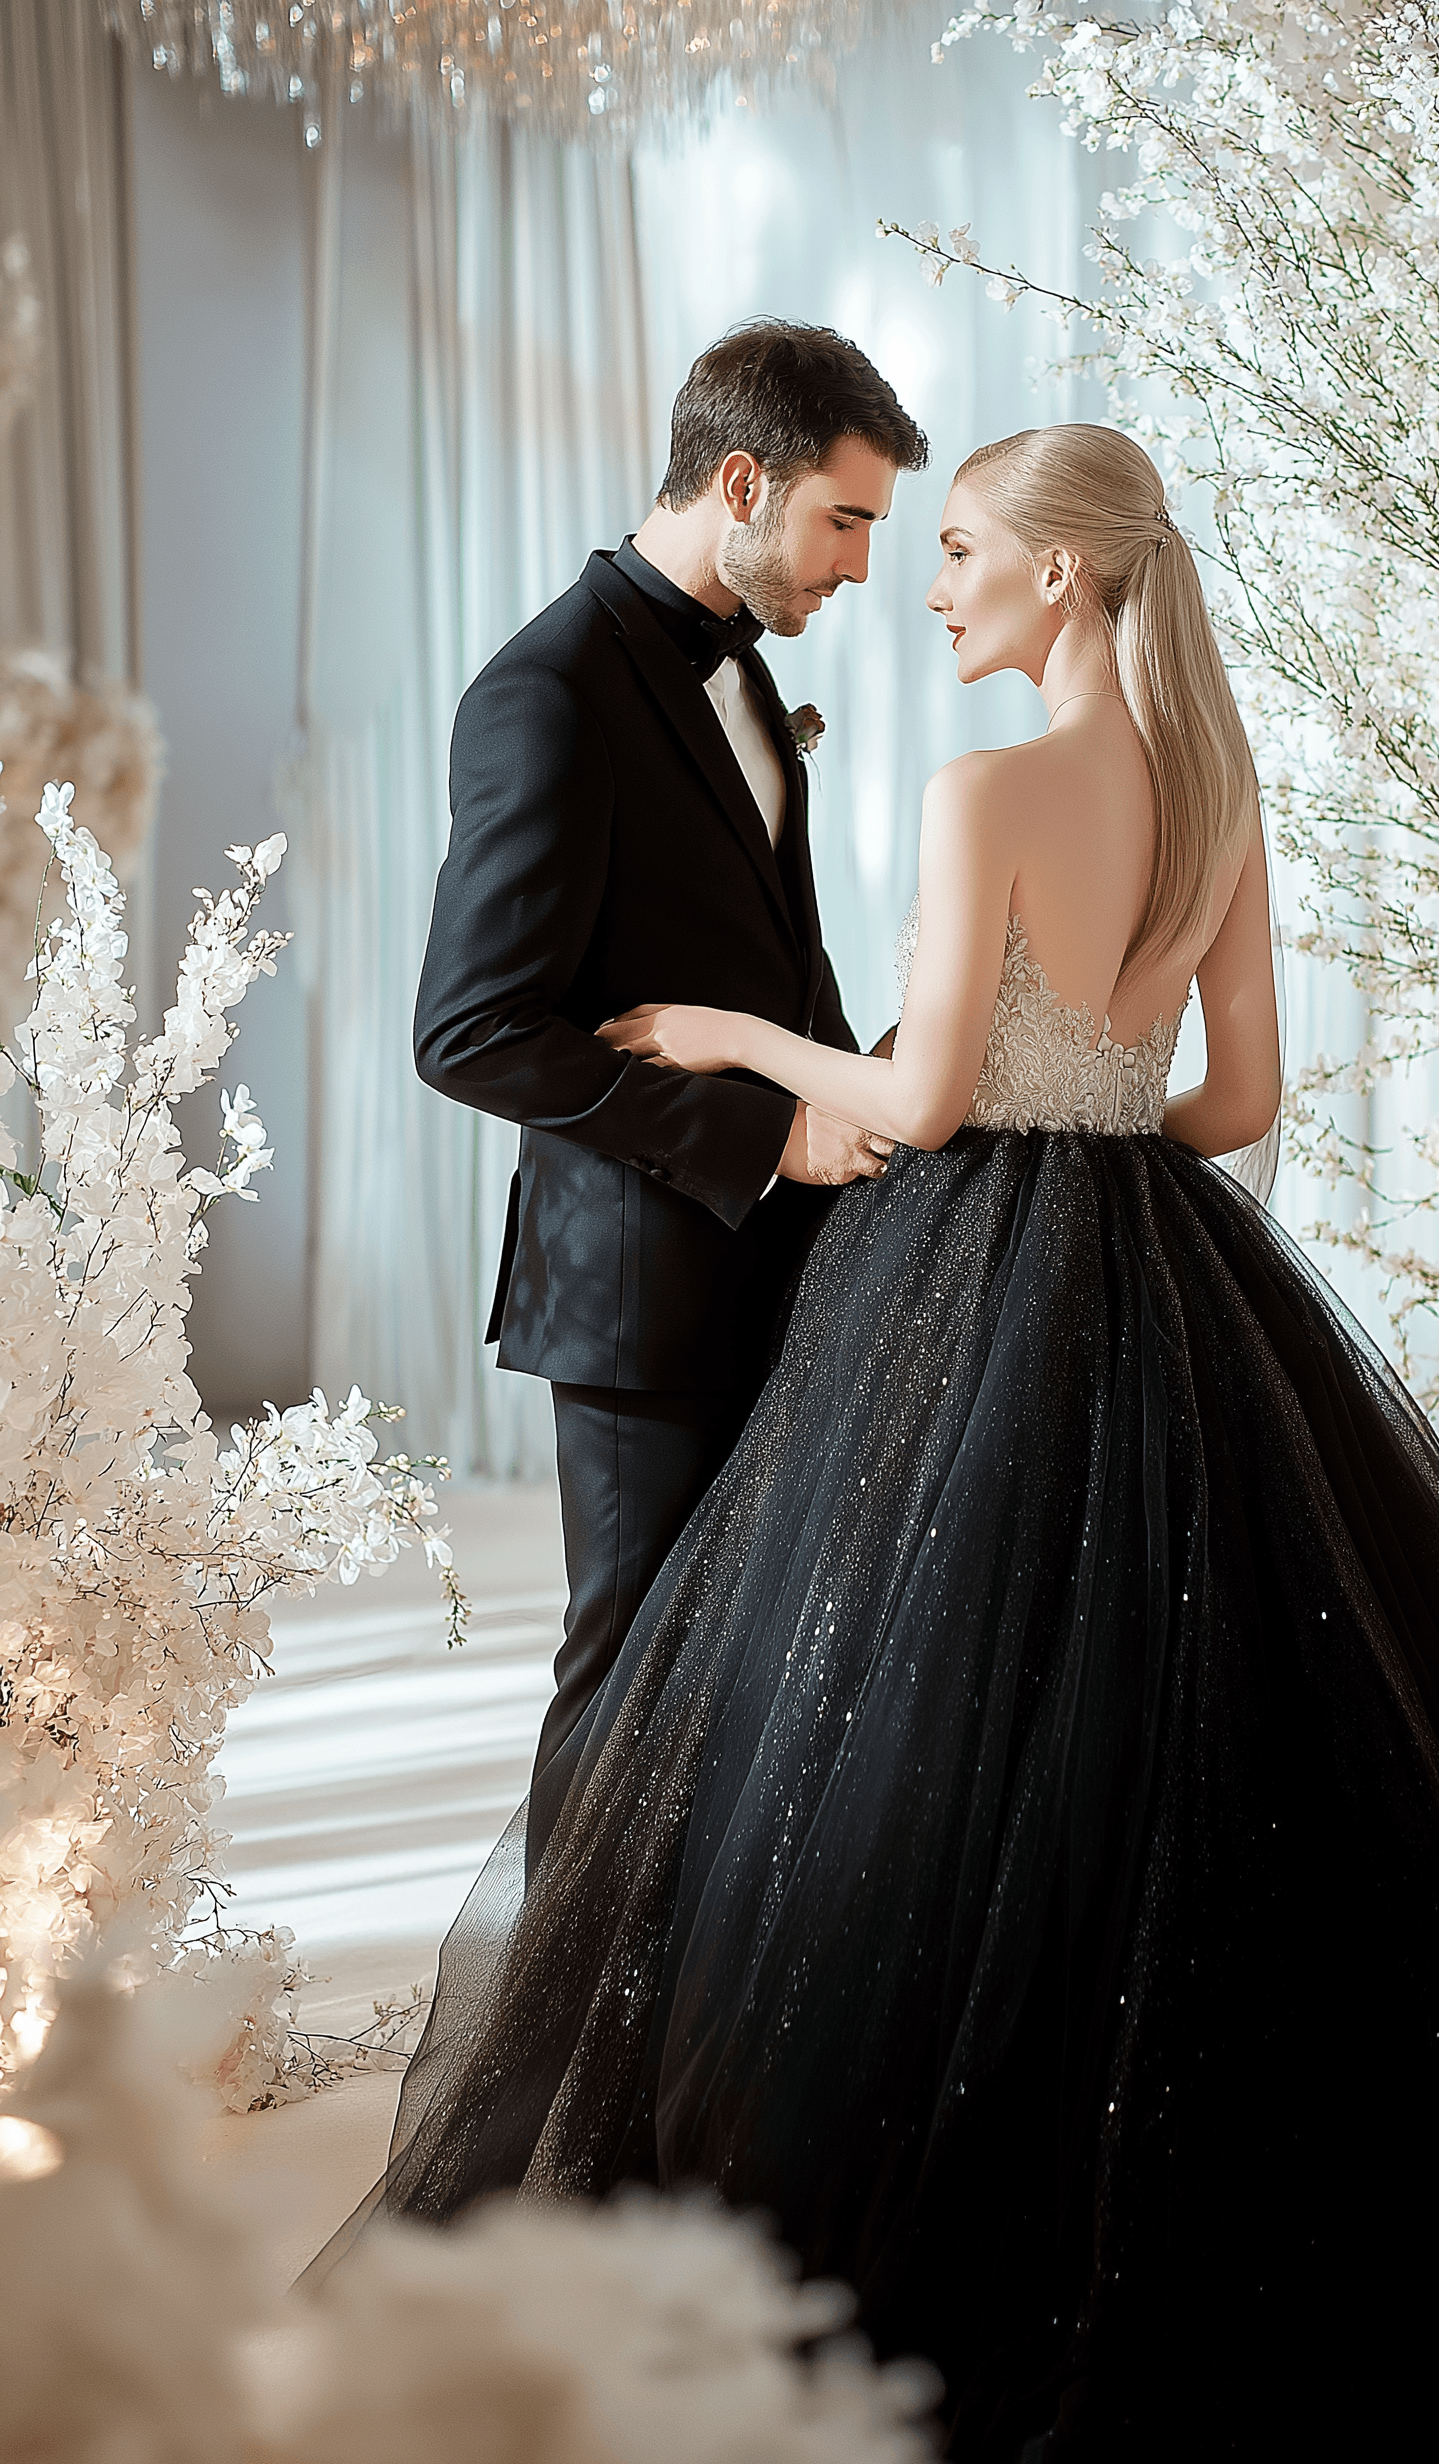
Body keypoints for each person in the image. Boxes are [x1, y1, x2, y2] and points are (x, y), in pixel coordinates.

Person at [339, 425, 1439, 2456]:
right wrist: (1092, 1120)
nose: (935, 584)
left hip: (968, 1265)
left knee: (941, 1727)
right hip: (1154, 1249)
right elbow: (1232, 1107)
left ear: (1063, 576)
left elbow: (936, 1100)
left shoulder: (989, 791)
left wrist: (727, 1034)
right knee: (1201, 1718)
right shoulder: (1214, 798)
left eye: (958, 549)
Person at [412, 322, 928, 1867]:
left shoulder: (750, 683)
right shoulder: (549, 693)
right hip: (640, 1286)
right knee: (630, 1672)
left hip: (789, 1252)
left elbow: (775, 958)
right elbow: (475, 1030)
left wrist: (869, 1103)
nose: (854, 568)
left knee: (757, 1666)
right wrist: (767, 1131)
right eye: (844, 522)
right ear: (739, 480)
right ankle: (562, 2072)